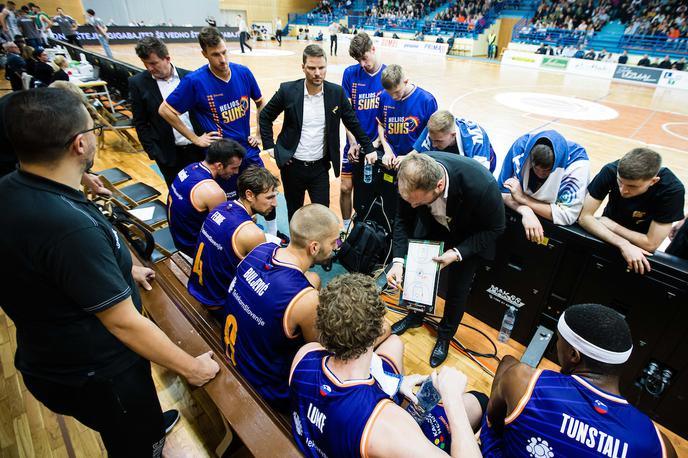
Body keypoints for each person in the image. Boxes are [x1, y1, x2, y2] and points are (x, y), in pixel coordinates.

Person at [0, 87, 220, 457]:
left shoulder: (13, 189)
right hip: (101, 376)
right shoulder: (70, 229)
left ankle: (147, 424)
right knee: (134, 445)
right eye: (93, 129)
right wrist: (191, 368)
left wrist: (121, 271)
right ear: (79, 145)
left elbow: (53, 269)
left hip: (51, 357)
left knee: (138, 422)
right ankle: (145, 436)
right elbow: (124, 323)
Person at [290, 273, 486, 458]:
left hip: (317, 443)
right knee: (479, 401)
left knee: (394, 346)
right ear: (377, 332)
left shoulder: (305, 355)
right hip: (376, 432)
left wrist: (397, 382)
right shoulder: (385, 423)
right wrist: (453, 400)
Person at [481, 303, 677, 458]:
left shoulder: (525, 382)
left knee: (501, 373)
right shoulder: (658, 444)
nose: (556, 344)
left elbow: (493, 424)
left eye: (558, 339)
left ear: (573, 355)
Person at [387, 152, 505, 367]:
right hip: (433, 226)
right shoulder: (409, 177)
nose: (412, 206)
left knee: (458, 289)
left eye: (417, 202)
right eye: (409, 201)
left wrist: (457, 253)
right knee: (419, 273)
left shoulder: (481, 184)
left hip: (468, 236)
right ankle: (415, 316)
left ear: (439, 186)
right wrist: (397, 261)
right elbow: (402, 219)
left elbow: (496, 227)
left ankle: (444, 336)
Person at [158, 27, 279, 234]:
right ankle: (241, 237)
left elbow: (261, 103)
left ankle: (273, 235)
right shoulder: (195, 81)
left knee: (265, 194)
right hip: (223, 160)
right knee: (233, 204)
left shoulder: (243, 72)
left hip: (248, 151)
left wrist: (258, 133)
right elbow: (165, 110)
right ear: (205, 54)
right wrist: (195, 138)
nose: (222, 59)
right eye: (215, 54)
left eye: (224, 52)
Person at [223, 204, 340, 411]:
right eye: (333, 242)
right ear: (314, 247)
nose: (336, 247)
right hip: (267, 390)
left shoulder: (261, 249)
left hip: (234, 355)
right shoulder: (307, 300)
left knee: (312, 279)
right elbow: (319, 351)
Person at [259, 44, 375, 220]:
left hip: (320, 168)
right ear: (303, 67)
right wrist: (270, 147)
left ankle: (320, 248)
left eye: (321, 67)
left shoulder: (336, 93)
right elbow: (265, 116)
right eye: (312, 68)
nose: (317, 73)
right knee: (294, 213)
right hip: (292, 166)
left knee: (322, 215)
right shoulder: (288, 91)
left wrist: (369, 148)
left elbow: (352, 122)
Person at [188, 166, 279, 317]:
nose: (275, 203)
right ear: (249, 195)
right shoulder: (252, 234)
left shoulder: (221, 207)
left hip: (199, 288)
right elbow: (263, 282)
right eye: (269, 197)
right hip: (219, 303)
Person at [578, 148, 685, 275]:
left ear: (653, 181)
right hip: (605, 234)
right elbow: (584, 217)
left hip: (633, 241)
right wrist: (623, 244)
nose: (623, 190)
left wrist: (612, 226)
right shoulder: (611, 170)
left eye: (632, 186)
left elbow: (650, 244)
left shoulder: (672, 190)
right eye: (620, 182)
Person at [129, 37, 205, 187]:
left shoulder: (190, 77)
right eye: (145, 64)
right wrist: (154, 152)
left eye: (153, 63)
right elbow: (140, 122)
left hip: (198, 150)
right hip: (168, 154)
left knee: (204, 189)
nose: (149, 68)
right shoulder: (137, 83)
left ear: (167, 58)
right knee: (177, 194)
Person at [498, 130, 590, 242]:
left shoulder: (578, 166)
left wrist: (524, 199)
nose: (540, 173)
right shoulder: (521, 147)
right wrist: (526, 211)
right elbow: (500, 191)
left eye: (546, 170)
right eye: (536, 168)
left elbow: (567, 215)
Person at [340, 32, 386, 231]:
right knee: (345, 187)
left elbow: (385, 117)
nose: (362, 64)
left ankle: (371, 230)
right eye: (358, 60)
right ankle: (345, 228)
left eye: (364, 58)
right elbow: (346, 112)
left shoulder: (387, 76)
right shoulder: (350, 74)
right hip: (353, 142)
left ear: (373, 49)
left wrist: (374, 144)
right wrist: (352, 142)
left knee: (371, 190)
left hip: (377, 145)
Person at [167, 139, 244, 258]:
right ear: (219, 165)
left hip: (178, 237)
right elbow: (222, 232)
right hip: (194, 250)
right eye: (233, 168)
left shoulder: (189, 168)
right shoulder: (214, 193)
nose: (236, 172)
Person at [372, 64, 437, 169]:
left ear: (406, 82)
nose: (394, 97)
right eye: (390, 93)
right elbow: (381, 125)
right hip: (392, 159)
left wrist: (410, 156)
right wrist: (387, 150)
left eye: (397, 92)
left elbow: (430, 134)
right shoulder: (383, 96)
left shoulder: (427, 100)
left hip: (417, 161)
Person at [411, 109, 497, 172]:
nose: (433, 144)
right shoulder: (433, 129)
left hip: (483, 160)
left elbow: (482, 175)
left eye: (438, 141)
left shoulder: (475, 141)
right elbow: (418, 153)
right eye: (432, 139)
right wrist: (407, 158)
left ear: (453, 135)